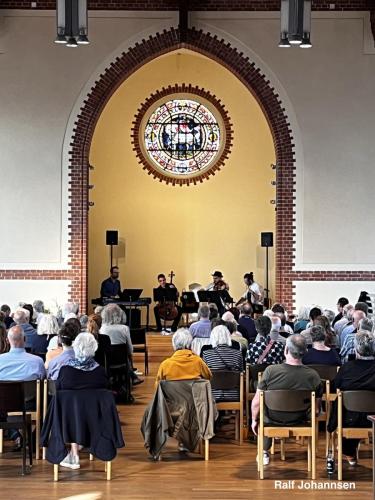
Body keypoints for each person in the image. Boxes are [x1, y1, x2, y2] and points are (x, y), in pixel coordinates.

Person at [251, 335, 322, 465]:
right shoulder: (313, 375)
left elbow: (256, 403)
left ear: (286, 350)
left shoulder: (270, 371)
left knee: (263, 411)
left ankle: (263, 451)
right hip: (299, 419)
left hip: (273, 418)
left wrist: (253, 420)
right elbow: (316, 410)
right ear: (305, 352)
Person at [56, 333, 108, 469]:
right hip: (96, 420)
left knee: (71, 407)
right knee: (81, 407)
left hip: (70, 421)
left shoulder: (65, 371)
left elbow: (59, 393)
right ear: (94, 348)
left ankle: (74, 454)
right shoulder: (100, 372)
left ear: (75, 348)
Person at [328, 331, 375, 465]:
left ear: (356, 349)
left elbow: (334, 386)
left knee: (346, 409)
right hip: (373, 418)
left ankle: (349, 453)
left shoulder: (347, 368)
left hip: (349, 419)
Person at [202, 325, 243, 401]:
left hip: (213, 396)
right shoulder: (237, 354)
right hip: (233, 395)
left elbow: (204, 376)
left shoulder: (206, 354)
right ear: (228, 337)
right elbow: (241, 374)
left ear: (213, 337)